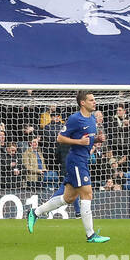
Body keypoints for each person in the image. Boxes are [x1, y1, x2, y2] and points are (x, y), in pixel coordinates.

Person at [27, 90, 109, 242]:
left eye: (94, 99)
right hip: (75, 161)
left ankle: (35, 212)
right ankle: (90, 235)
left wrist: (97, 140)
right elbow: (60, 138)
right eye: (91, 100)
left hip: (83, 160)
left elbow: (87, 140)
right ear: (82, 103)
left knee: (69, 198)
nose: (94, 102)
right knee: (87, 193)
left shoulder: (91, 119)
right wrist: (79, 143)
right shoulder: (75, 119)